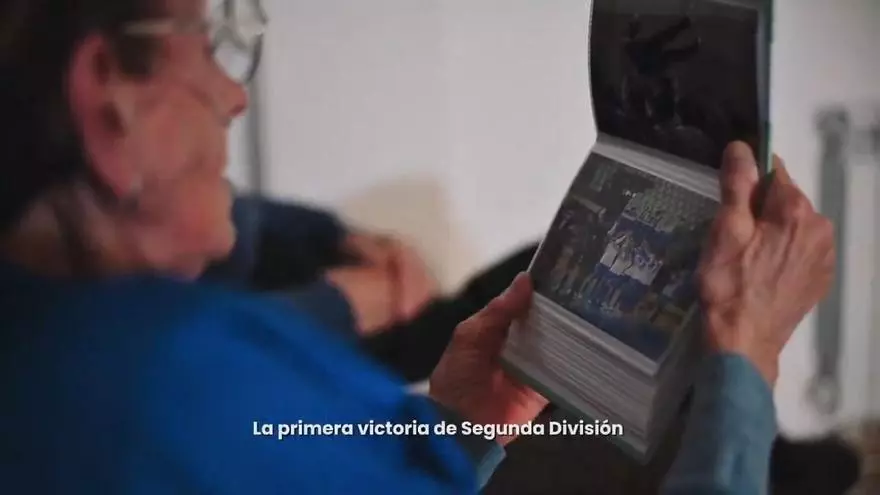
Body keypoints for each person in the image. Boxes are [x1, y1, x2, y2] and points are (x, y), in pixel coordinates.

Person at [0, 1, 836, 494]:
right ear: (109, 101)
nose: (232, 94)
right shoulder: (178, 384)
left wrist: (458, 428)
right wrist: (745, 358)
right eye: (207, 40)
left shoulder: (48, 336)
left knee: (536, 284)